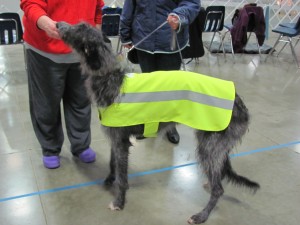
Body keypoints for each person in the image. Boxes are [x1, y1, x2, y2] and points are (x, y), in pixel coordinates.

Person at [20, 0, 104, 169]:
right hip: (45, 50)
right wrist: (44, 23)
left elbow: (97, 7)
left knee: (81, 101)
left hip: (81, 51)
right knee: (46, 104)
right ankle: (50, 149)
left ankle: (81, 145)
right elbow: (30, 4)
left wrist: (96, 37)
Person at [120, 0, 200, 144]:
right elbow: (129, 6)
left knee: (169, 89)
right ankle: (150, 124)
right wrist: (124, 33)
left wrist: (179, 16)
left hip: (170, 42)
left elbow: (192, 3)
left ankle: (169, 126)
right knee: (149, 87)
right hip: (143, 40)